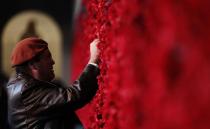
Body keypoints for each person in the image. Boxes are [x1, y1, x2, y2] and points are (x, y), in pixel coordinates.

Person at [6, 37, 100, 129]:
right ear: (33, 64)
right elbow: (75, 95)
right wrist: (93, 61)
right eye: (48, 57)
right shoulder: (26, 90)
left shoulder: (21, 85)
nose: (53, 62)